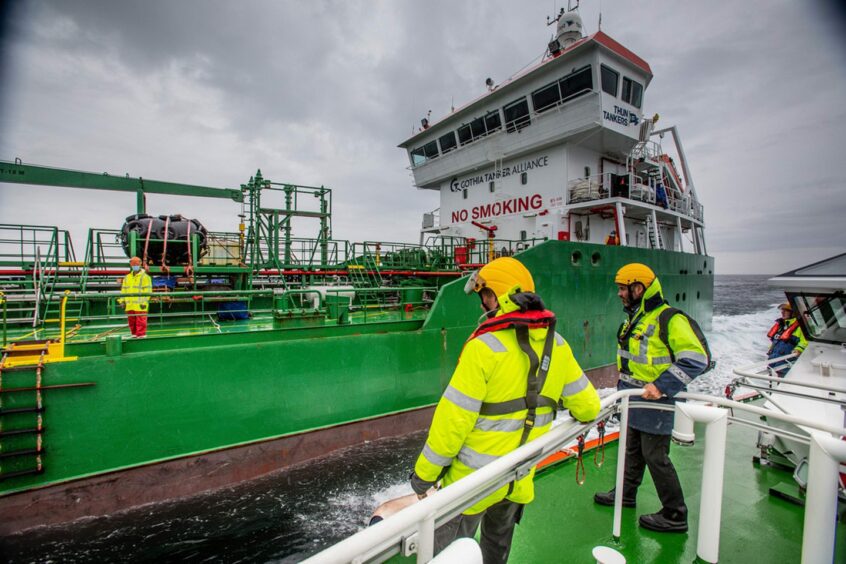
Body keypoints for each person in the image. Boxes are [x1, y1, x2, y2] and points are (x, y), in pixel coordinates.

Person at [410, 257, 600, 563]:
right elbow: (589, 407)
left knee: (446, 555)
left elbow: (452, 422)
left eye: (483, 297)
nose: (481, 305)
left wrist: (423, 476)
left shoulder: (482, 348)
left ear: (493, 297)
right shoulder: (558, 345)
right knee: (495, 552)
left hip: (469, 487)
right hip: (517, 479)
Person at [594, 263, 708, 533]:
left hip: (658, 402)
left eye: (623, 289)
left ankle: (675, 514)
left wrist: (662, 385)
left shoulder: (670, 318)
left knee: (656, 457)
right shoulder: (636, 319)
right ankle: (625, 494)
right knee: (632, 449)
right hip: (634, 399)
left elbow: (697, 358)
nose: (620, 294)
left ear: (639, 288)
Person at [766, 302, 807, 377]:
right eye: (782, 310)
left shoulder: (800, 327)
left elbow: (804, 341)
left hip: (786, 365)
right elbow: (776, 341)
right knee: (773, 384)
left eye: (786, 310)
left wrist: (798, 349)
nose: (782, 312)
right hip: (773, 362)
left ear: (793, 313)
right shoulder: (781, 325)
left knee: (782, 385)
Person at [119, 256, 152, 338]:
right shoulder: (127, 277)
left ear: (140, 264)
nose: (135, 266)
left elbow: (147, 291)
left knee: (141, 321)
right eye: (133, 264)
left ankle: (141, 335)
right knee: (132, 321)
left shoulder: (145, 277)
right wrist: (122, 301)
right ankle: (133, 334)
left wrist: (144, 302)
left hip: (140, 304)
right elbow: (123, 290)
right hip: (129, 304)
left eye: (136, 264)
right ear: (131, 265)